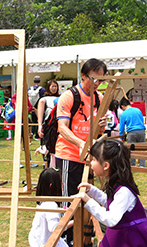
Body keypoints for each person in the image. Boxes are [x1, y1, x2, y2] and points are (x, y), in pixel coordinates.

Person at [55, 58, 107, 198]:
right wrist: (80, 143)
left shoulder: (99, 98)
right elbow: (62, 128)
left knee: (86, 198)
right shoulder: (69, 96)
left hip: (89, 156)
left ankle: (82, 221)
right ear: (83, 75)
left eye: (101, 80)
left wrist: (102, 126)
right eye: (94, 79)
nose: (97, 83)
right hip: (69, 155)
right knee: (70, 200)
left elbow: (98, 131)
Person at [28, 167, 73, 247]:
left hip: (36, 242)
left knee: (67, 236)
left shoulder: (41, 200)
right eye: (60, 183)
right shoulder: (51, 204)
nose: (62, 185)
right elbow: (54, 229)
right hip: (44, 246)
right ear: (52, 186)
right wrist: (73, 222)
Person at [119, 97, 146, 167]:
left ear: (122, 106)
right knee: (142, 148)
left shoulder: (124, 114)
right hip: (141, 131)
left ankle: (132, 164)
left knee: (131, 149)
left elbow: (121, 127)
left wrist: (121, 136)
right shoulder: (138, 110)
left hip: (131, 132)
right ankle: (142, 164)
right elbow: (142, 121)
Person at [28, 76, 46, 140]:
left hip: (31, 107)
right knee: (39, 121)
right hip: (38, 107)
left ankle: (31, 133)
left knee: (32, 122)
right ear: (40, 81)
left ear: (33, 81)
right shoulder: (42, 89)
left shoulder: (29, 89)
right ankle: (37, 135)